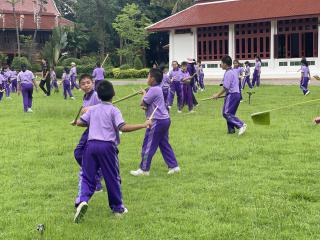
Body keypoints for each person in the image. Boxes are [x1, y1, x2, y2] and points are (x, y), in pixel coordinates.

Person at [72, 80, 152, 223]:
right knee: (112, 177)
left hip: (90, 146)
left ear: (98, 95)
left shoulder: (93, 109)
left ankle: (82, 201)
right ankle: (117, 208)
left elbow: (82, 122)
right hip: (107, 147)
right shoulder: (114, 110)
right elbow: (123, 127)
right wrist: (143, 124)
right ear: (113, 94)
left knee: (87, 177)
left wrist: (75, 122)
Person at [130, 68, 180, 176]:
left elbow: (142, 103)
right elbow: (150, 105)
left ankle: (144, 170)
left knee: (148, 145)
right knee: (164, 144)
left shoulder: (153, 89)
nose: (147, 78)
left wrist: (143, 93)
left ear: (152, 79)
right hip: (165, 120)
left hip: (157, 121)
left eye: (148, 76)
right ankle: (174, 166)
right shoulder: (157, 89)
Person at [74, 74, 103, 208]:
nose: (86, 85)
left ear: (93, 83)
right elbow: (87, 119)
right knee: (79, 153)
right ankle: (96, 176)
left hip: (99, 129)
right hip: (90, 128)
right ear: (80, 86)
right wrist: (78, 122)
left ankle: (96, 180)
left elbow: (105, 107)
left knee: (80, 152)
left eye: (88, 83)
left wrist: (89, 109)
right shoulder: (85, 97)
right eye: (83, 83)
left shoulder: (96, 95)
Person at [212, 56, 247, 135]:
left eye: (221, 63)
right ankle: (231, 130)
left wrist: (217, 95)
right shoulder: (233, 71)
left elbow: (225, 87)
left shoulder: (228, 73)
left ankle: (241, 125)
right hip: (236, 94)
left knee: (226, 113)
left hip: (232, 95)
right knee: (231, 113)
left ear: (225, 64)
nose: (220, 65)